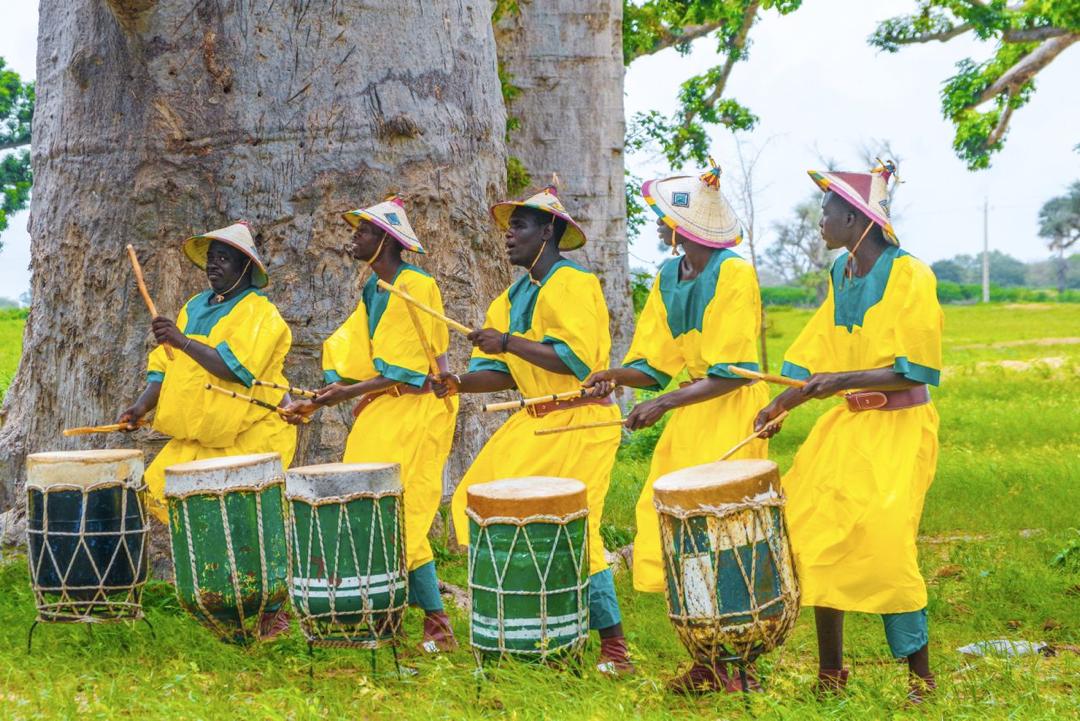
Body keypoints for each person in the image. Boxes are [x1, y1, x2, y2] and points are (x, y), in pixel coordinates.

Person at [753, 161, 942, 703]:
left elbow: (914, 369)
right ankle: (830, 675)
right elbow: (818, 349)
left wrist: (839, 380)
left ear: (856, 219)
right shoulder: (842, 273)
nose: (820, 220)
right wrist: (782, 402)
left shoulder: (911, 275)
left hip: (900, 426)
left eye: (827, 211)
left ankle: (921, 680)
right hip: (849, 425)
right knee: (815, 536)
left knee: (886, 544)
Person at [432, 183, 633, 675]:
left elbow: (573, 360)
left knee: (575, 524)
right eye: (508, 227)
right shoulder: (509, 298)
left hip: (583, 419)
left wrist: (507, 341)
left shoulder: (575, 283)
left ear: (548, 232)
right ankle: (529, 626)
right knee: (477, 502)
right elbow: (501, 372)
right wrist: (458, 382)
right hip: (534, 419)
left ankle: (614, 647)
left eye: (518, 226)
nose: (508, 235)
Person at [584, 160, 770, 693]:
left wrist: (663, 404)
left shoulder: (734, 273)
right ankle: (707, 659)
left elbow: (730, 374)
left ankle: (741, 665)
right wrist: (614, 375)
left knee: (726, 533)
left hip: (730, 412)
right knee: (677, 530)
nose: (658, 223)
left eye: (664, 216)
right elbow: (654, 365)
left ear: (683, 225)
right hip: (691, 413)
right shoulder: (669, 275)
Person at [283, 196, 460, 653]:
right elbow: (356, 358)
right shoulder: (373, 289)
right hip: (384, 409)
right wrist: (315, 401)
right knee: (368, 507)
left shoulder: (416, 285)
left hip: (418, 409)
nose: (354, 238)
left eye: (362, 232)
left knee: (403, 512)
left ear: (386, 239)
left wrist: (344, 394)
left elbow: (407, 369)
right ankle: (384, 616)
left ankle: (438, 624)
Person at [118, 222, 297, 526]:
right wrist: (141, 407)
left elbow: (235, 368)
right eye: (211, 257)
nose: (213, 264)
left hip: (248, 438)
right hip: (201, 439)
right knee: (157, 495)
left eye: (224, 258)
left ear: (246, 267)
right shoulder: (193, 306)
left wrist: (183, 341)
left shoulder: (261, 313)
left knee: (234, 524)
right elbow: (167, 365)